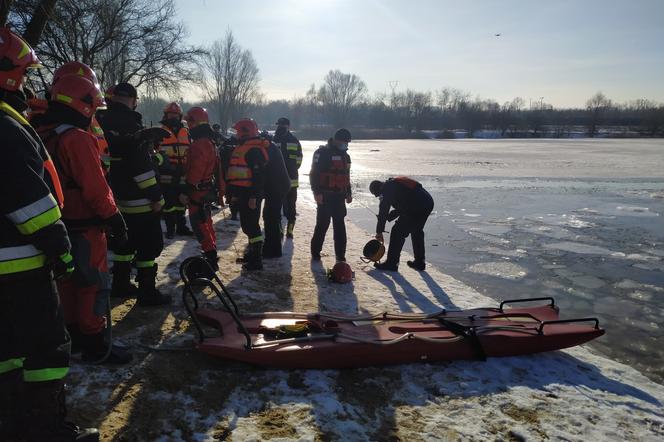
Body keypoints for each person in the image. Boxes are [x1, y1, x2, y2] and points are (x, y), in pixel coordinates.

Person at [0, 28, 99, 441]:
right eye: (21, 73)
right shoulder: (5, 127)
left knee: (6, 352)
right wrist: (58, 244)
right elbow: (28, 196)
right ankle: (46, 429)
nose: (25, 82)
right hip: (21, 263)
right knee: (45, 349)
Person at [37, 72, 131, 364]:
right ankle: (95, 342)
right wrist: (114, 218)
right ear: (84, 104)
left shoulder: (42, 133)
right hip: (86, 226)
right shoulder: (77, 139)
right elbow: (95, 187)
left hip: (59, 224)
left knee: (67, 282)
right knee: (93, 283)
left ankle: (75, 335)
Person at [97, 82, 171, 305]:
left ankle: (120, 284)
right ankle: (147, 292)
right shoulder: (132, 125)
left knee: (125, 242)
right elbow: (141, 167)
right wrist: (156, 196)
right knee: (149, 245)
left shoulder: (100, 122)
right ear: (133, 99)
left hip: (116, 196)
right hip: (141, 199)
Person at [181, 107, 223, 275]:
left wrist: (187, 188)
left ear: (195, 122)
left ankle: (210, 257)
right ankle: (211, 253)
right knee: (206, 223)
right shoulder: (209, 141)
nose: (187, 125)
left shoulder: (200, 144)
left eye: (189, 122)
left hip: (197, 192)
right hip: (205, 190)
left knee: (200, 225)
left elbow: (196, 169)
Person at [226, 118, 268, 270]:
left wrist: (254, 196)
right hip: (243, 192)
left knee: (252, 226)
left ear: (246, 132)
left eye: (238, 131)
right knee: (247, 226)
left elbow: (259, 176)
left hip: (251, 194)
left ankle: (256, 260)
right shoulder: (244, 147)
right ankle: (252, 254)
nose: (236, 134)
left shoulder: (254, 150)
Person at [369, 176, 434, 271]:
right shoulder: (393, 185)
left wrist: (379, 232)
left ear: (380, 189)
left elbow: (384, 210)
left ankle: (391, 263)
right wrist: (388, 217)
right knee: (416, 231)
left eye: (378, 195)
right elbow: (403, 206)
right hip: (427, 202)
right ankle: (420, 262)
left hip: (417, 206)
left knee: (397, 231)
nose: (379, 197)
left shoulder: (387, 190)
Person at [309, 128, 353, 262]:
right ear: (336, 139)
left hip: (339, 197)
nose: (345, 144)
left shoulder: (346, 156)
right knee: (322, 225)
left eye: (347, 142)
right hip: (325, 196)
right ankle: (315, 252)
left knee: (340, 226)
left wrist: (348, 192)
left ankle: (340, 255)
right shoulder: (322, 153)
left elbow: (346, 175)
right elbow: (314, 174)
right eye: (344, 141)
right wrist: (317, 193)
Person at [158, 102, 193, 239]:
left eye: (175, 114)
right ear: (166, 115)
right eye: (170, 114)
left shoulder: (187, 131)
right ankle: (171, 229)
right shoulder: (160, 131)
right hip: (167, 173)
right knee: (169, 204)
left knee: (181, 203)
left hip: (183, 171)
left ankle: (182, 227)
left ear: (180, 116)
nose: (173, 117)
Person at [262, 131, 291, 258]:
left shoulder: (271, 150)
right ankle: (272, 248)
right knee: (271, 218)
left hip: (277, 189)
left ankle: (272, 250)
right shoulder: (272, 148)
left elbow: (266, 170)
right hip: (277, 188)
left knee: (271, 218)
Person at [272, 117, 303, 238]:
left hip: (278, 180)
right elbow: (299, 159)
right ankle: (289, 230)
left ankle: (282, 230)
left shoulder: (274, 140)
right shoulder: (294, 140)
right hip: (291, 180)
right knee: (290, 207)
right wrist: (293, 169)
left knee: (278, 207)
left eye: (280, 125)